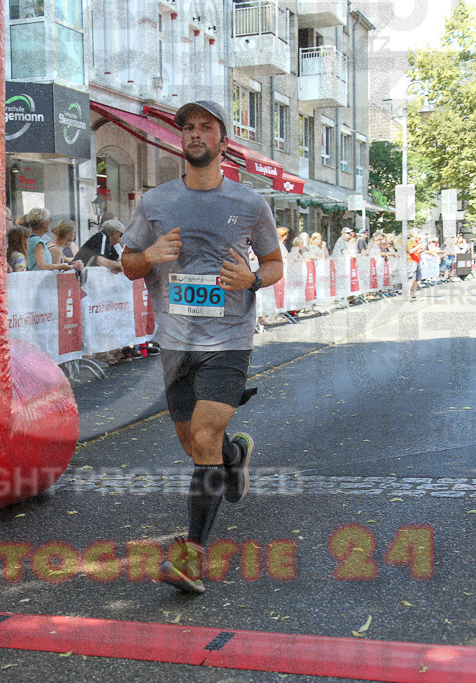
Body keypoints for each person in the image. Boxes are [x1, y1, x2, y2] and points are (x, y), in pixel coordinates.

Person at [121, 100, 283, 594]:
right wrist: (148, 255)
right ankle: (236, 455)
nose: (195, 134)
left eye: (205, 127)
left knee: (205, 437)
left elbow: (276, 264)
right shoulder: (155, 203)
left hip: (229, 339)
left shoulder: (252, 204)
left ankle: (192, 557)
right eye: (188, 128)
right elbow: (129, 262)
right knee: (195, 444)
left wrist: (252, 279)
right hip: (175, 341)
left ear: (221, 139)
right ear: (181, 140)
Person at [25, 207, 74, 272]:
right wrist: (62, 266)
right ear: (43, 223)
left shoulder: (32, 239)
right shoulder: (37, 241)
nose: (50, 223)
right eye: (49, 220)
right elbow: (42, 266)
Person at [406, 230, 423, 299]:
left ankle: (414, 294)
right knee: (411, 277)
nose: (418, 234)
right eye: (416, 233)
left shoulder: (416, 241)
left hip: (417, 260)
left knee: (416, 279)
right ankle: (407, 294)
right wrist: (418, 246)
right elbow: (410, 251)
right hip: (411, 261)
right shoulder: (409, 241)